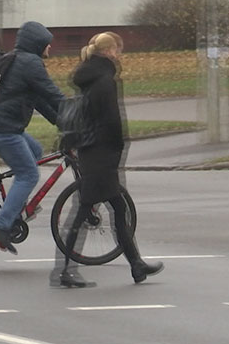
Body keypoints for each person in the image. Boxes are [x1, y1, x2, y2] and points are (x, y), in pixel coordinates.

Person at [58, 32, 163, 287]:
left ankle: (136, 265)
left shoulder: (89, 76)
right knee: (85, 210)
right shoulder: (105, 80)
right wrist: (118, 146)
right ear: (108, 51)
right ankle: (64, 271)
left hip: (91, 150)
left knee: (117, 207)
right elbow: (111, 120)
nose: (119, 55)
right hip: (101, 153)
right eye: (117, 50)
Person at [0, 21, 65, 254]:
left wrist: (64, 121)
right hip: (0, 129)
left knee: (35, 152)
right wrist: (80, 111)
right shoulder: (31, 63)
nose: (49, 48)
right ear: (38, 43)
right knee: (29, 173)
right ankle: (1, 223)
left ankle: (14, 208)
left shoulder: (18, 59)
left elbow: (42, 101)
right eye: (47, 44)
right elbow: (54, 96)